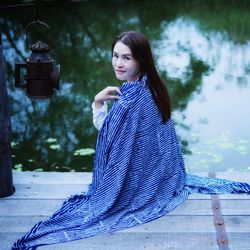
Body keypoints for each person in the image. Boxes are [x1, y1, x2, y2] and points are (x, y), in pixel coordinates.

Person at [13, 31, 250, 250]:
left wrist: (97, 103)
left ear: (141, 61)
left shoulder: (133, 98)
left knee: (97, 206)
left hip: (144, 181)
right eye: (115, 56)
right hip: (163, 173)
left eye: (126, 58)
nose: (118, 63)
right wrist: (102, 103)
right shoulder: (152, 88)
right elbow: (119, 134)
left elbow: (108, 134)